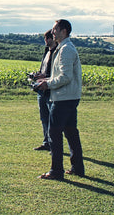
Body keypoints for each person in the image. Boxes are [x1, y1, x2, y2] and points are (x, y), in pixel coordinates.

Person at [35, 19, 84, 180]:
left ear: (64, 31)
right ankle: (77, 167)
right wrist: (46, 79)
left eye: (55, 29)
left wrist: (47, 84)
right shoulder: (64, 48)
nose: (52, 32)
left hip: (63, 98)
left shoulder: (65, 50)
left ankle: (56, 171)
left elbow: (65, 77)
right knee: (71, 132)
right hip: (69, 97)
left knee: (54, 133)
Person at [30, 29, 57, 151]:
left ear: (52, 39)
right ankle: (46, 142)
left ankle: (53, 143)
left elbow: (56, 73)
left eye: (47, 38)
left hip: (50, 89)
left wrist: (45, 77)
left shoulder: (57, 53)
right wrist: (37, 75)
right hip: (41, 89)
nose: (45, 41)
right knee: (44, 118)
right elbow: (45, 69)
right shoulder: (47, 51)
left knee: (52, 119)